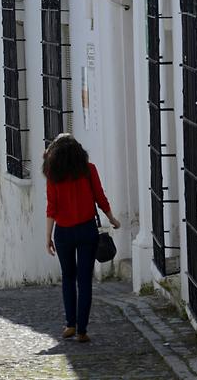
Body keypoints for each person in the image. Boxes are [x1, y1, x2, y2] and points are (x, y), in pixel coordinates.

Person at [44, 134, 120, 343]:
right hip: (87, 230)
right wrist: (112, 218)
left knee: (68, 277)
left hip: (63, 232)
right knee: (84, 280)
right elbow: (100, 196)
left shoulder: (53, 174)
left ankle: (70, 324)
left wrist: (47, 237)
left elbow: (52, 207)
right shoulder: (89, 169)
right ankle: (82, 330)